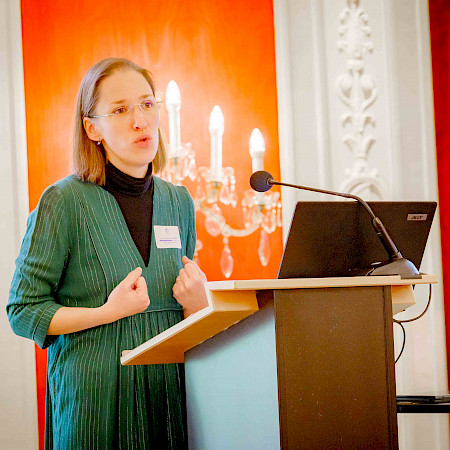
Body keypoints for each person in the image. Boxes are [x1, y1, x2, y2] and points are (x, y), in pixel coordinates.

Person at [7, 57, 208, 449]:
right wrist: (107, 312)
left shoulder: (179, 202)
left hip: (169, 400)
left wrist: (199, 307)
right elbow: (23, 310)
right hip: (94, 409)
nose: (140, 120)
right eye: (120, 110)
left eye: (148, 104)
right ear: (91, 128)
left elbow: (187, 307)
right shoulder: (63, 202)